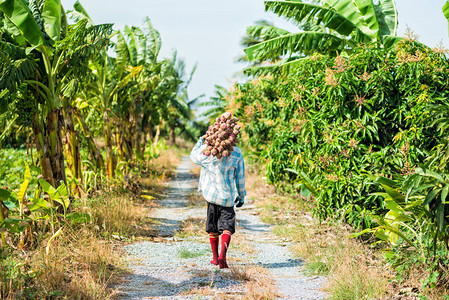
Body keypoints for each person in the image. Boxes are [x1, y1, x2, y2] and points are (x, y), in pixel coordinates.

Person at [189, 134, 246, 269]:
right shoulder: (237, 153)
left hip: (211, 195)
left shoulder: (207, 151)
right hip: (227, 197)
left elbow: (193, 156)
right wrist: (241, 195)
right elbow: (240, 176)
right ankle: (222, 257)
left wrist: (200, 141)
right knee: (227, 227)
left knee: (212, 227)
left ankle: (215, 259)